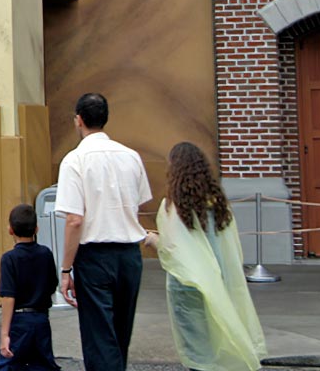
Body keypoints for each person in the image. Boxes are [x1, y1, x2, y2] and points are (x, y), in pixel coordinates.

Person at [143, 142, 266, 371]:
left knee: (196, 351)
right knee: (217, 340)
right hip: (219, 280)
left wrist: (152, 240)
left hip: (186, 287)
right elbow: (231, 246)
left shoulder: (173, 207)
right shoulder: (219, 204)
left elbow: (174, 250)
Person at [55, 93, 152, 371]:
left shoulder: (74, 160)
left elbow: (74, 219)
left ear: (79, 120)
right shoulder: (131, 157)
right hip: (130, 253)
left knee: (99, 338)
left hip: (95, 255)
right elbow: (139, 204)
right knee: (121, 335)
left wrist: (65, 269)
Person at [0, 204, 61, 371]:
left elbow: (8, 296)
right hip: (41, 318)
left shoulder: (9, 259)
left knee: (9, 364)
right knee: (42, 365)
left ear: (10, 230)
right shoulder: (46, 253)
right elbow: (52, 284)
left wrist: (4, 334)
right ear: (36, 229)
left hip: (19, 320)